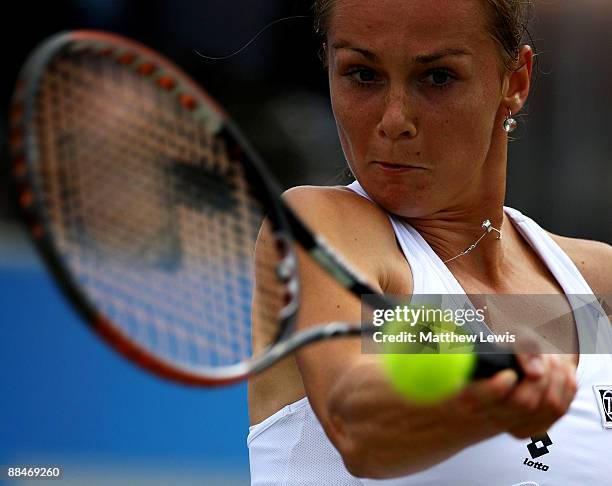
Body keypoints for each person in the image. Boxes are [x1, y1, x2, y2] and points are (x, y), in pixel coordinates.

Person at [248, 0, 612, 484]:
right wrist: (485, 400)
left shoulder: (599, 278)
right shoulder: (316, 229)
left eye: (437, 77)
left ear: (516, 81)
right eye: (361, 74)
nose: (395, 119)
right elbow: (359, 428)